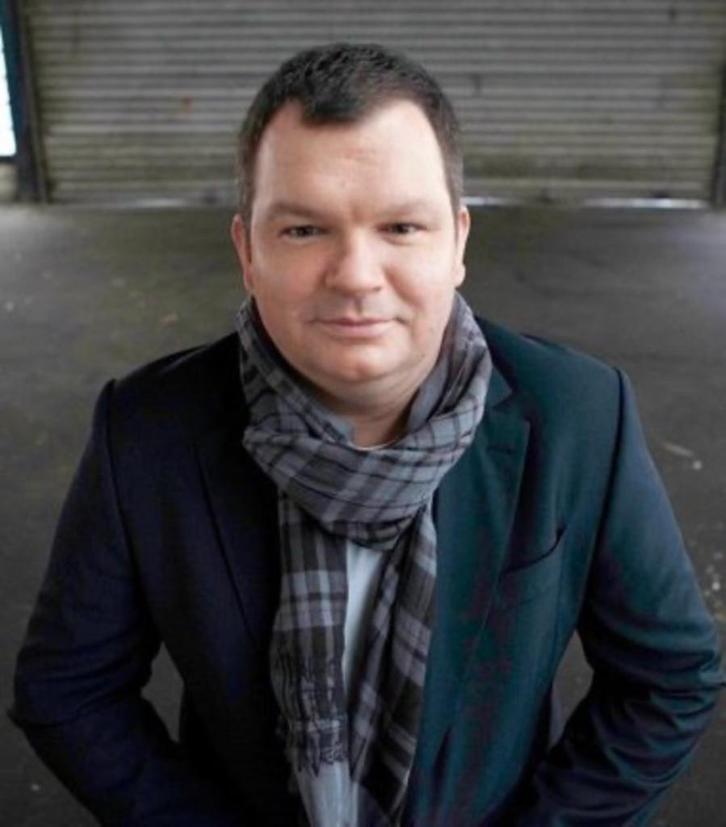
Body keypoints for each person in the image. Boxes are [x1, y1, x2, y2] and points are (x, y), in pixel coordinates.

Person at [10, 42, 724, 827]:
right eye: (304, 229)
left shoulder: (577, 416)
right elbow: (68, 689)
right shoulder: (147, 431)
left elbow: (669, 677)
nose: (355, 273)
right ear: (247, 251)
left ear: (457, 242)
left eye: (401, 226)